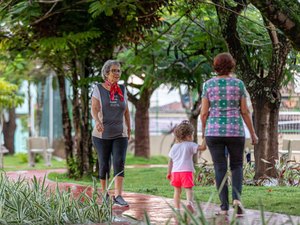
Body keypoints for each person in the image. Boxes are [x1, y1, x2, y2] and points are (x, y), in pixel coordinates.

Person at [200, 52, 258, 216]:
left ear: (216, 66)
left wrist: (204, 134)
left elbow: (204, 113)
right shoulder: (238, 84)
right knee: (237, 165)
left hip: (214, 131)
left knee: (220, 167)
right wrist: (253, 134)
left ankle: (224, 207)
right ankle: (237, 200)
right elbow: (245, 112)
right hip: (235, 131)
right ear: (232, 65)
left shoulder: (208, 85)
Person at [91, 60, 131, 207]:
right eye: (114, 70)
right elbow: (94, 108)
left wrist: (129, 127)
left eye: (119, 71)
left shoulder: (122, 89)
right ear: (106, 73)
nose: (117, 73)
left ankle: (118, 195)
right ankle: (104, 193)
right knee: (104, 164)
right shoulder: (98, 89)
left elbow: (126, 110)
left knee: (119, 162)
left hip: (120, 133)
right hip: (101, 134)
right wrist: (97, 121)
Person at [166, 120, 206, 213]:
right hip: (186, 171)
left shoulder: (174, 146)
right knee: (188, 189)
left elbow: (170, 161)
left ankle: (176, 208)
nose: (192, 137)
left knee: (177, 191)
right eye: (192, 135)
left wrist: (169, 172)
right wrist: (206, 137)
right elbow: (203, 148)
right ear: (188, 136)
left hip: (175, 172)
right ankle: (189, 203)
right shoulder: (190, 145)